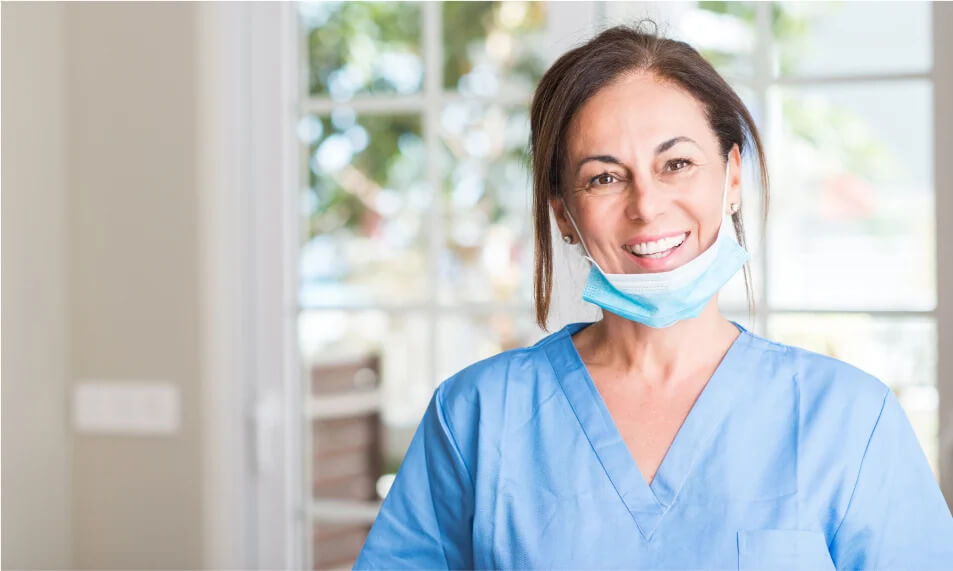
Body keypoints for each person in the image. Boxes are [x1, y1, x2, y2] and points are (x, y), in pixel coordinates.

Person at [353, 21, 953, 569]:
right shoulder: (476, 419)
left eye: (678, 164)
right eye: (605, 177)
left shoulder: (849, 420)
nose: (646, 205)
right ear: (563, 212)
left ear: (734, 178)